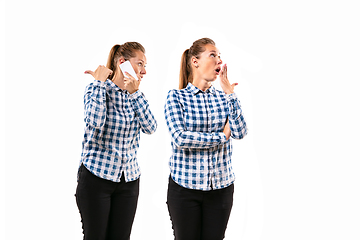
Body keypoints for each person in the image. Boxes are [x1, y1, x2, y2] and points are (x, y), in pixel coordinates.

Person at [164, 38, 248, 240]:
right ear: (195, 61)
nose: (219, 60)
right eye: (213, 55)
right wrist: (221, 136)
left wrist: (231, 94)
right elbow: (180, 138)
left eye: (220, 56)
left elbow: (240, 132)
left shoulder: (224, 98)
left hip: (221, 189)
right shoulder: (176, 97)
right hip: (185, 190)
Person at [75, 42, 157, 240]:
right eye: (139, 64)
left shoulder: (136, 95)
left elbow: (151, 127)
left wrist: (135, 94)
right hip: (97, 178)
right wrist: (99, 84)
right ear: (122, 63)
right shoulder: (97, 89)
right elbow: (95, 123)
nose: (144, 71)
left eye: (145, 66)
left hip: (128, 180)